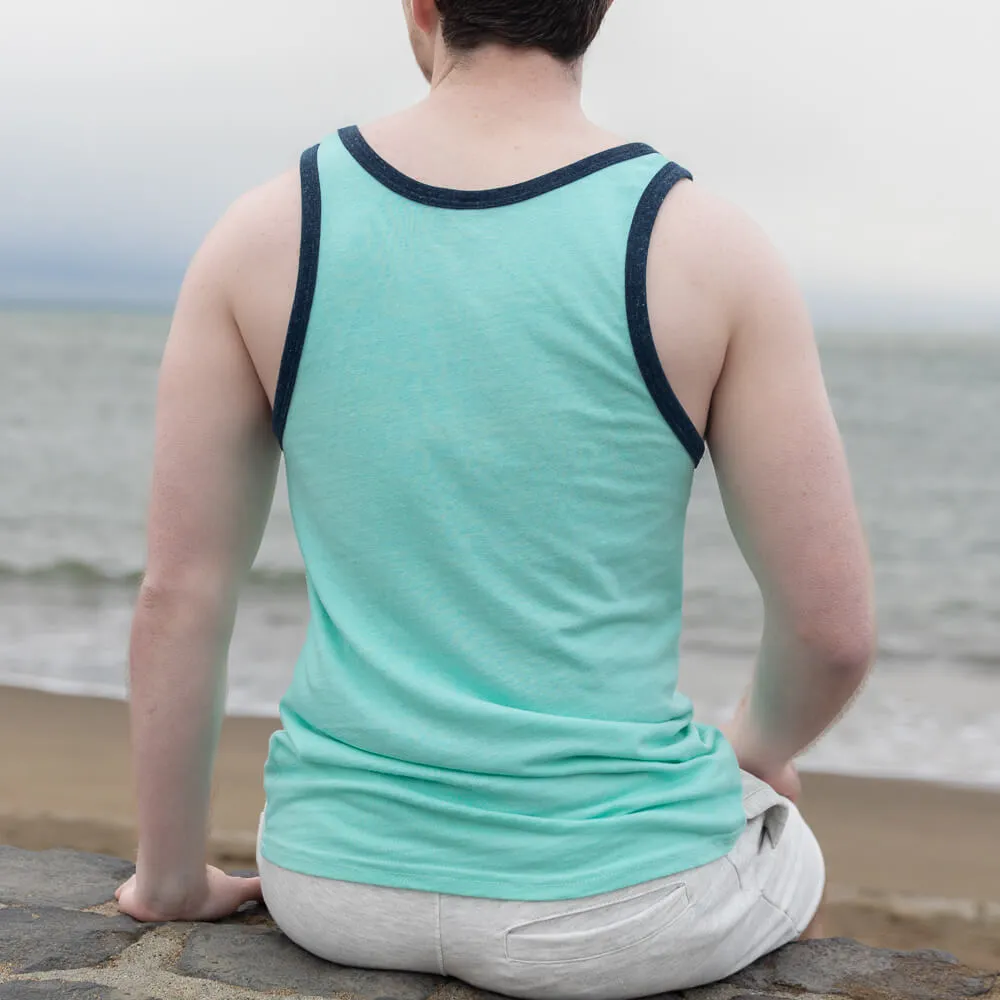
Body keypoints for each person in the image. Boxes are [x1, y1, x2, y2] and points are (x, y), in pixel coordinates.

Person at [114, 1, 876, 997]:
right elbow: (831, 633)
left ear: (422, 6)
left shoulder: (266, 228)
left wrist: (170, 877)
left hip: (333, 879)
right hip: (617, 906)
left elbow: (182, 590)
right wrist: (755, 749)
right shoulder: (705, 244)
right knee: (780, 831)